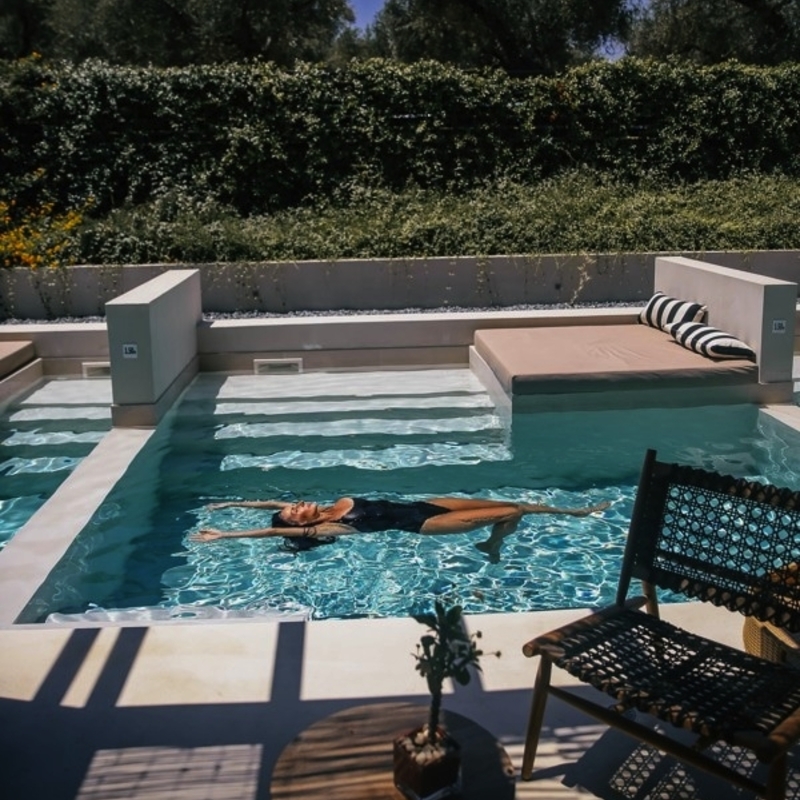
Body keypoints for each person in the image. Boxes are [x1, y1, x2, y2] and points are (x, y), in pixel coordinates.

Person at [189, 495, 611, 561]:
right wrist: (224, 535)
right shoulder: (326, 530)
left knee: (509, 505)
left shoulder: (317, 507)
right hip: (424, 524)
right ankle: (493, 547)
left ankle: (574, 512)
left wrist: (230, 504)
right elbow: (273, 531)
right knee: (510, 512)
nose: (297, 505)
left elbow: (270, 507)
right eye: (296, 511)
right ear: (301, 525)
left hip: (422, 503)